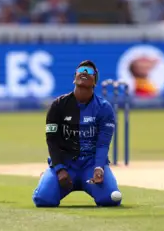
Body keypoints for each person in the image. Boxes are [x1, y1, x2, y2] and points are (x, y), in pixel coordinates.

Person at [32, 60, 123, 207]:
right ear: (75, 77)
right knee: (43, 200)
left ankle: (95, 181)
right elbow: (52, 141)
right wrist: (60, 169)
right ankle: (48, 179)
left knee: (109, 200)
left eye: (90, 71)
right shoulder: (58, 105)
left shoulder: (104, 108)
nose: (85, 73)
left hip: (91, 165)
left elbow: (103, 143)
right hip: (66, 164)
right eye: (82, 70)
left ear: (95, 81)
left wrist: (99, 167)